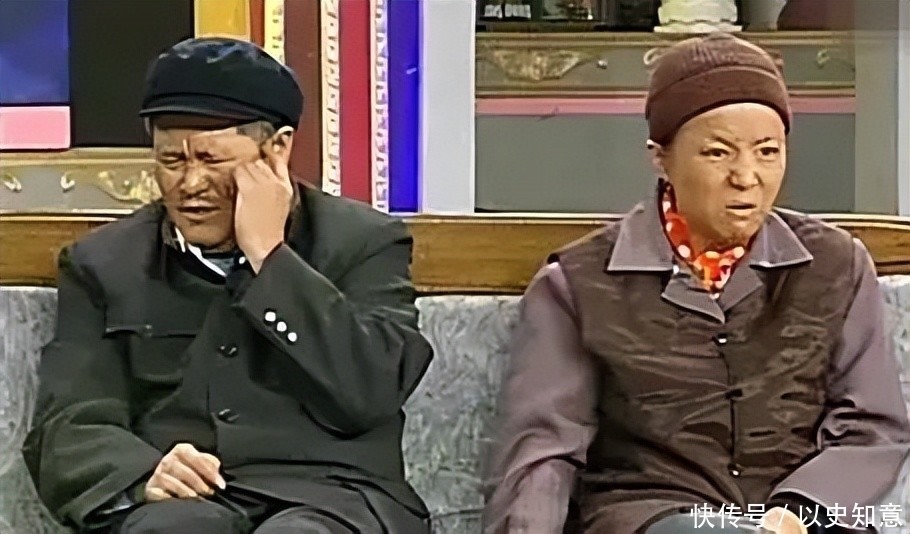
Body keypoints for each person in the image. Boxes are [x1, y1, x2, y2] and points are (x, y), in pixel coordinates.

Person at [483, 33, 910, 534]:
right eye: (718, 153)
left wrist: (797, 512)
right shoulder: (578, 284)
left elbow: (871, 426)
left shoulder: (837, 265)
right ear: (660, 158)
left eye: (768, 152)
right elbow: (543, 453)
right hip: (657, 516)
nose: (747, 176)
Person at [23, 37, 433, 534]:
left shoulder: (363, 242)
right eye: (172, 161)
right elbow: (68, 422)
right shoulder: (104, 264)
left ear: (277, 150)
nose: (190, 184)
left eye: (212, 160)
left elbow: (371, 391)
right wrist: (141, 472)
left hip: (334, 496)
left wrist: (270, 257)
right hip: (185, 503)